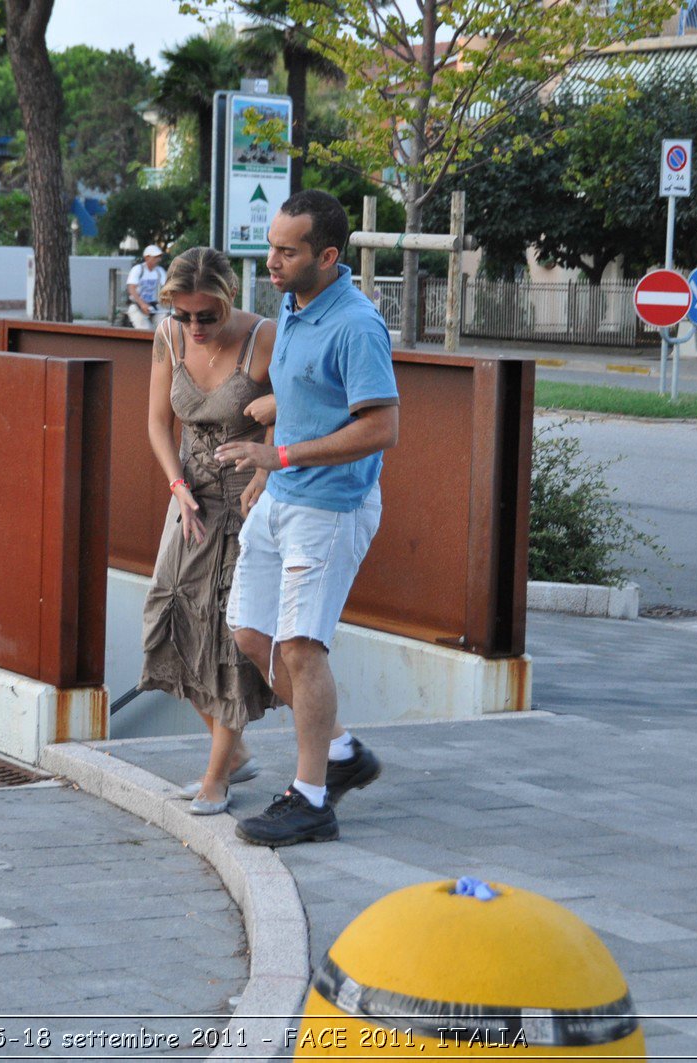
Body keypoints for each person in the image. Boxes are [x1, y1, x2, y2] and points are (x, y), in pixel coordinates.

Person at [215, 189, 400, 847]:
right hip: (283, 496)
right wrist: (267, 471)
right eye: (270, 246)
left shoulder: (355, 323)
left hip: (331, 507)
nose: (271, 260)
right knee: (249, 635)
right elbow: (302, 401)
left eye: (286, 251)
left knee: (301, 646)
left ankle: (313, 797)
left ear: (326, 255)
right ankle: (342, 750)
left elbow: (382, 426)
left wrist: (279, 453)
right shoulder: (294, 304)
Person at [140, 246, 279, 815]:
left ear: (229, 301)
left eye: (207, 316)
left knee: (227, 640)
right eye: (183, 314)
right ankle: (237, 751)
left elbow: (300, 409)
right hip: (189, 498)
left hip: (242, 501)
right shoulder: (168, 337)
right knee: (165, 624)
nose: (194, 327)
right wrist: (176, 486)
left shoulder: (264, 338)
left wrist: (267, 468)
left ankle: (217, 776)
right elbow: (155, 421)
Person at [127, 245, 169, 330]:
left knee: (164, 328)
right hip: (137, 305)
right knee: (145, 330)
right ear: (147, 257)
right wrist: (142, 304)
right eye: (155, 257)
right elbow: (131, 288)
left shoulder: (159, 271)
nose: (158, 260)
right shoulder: (138, 269)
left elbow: (167, 287)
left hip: (154, 305)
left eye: (159, 257)